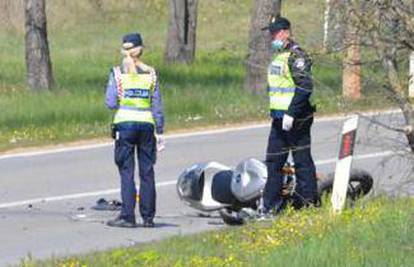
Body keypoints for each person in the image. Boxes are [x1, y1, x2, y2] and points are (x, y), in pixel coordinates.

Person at [105, 33, 164, 228]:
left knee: (126, 172)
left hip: (125, 125)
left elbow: (111, 103)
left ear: (123, 50)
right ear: (141, 49)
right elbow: (157, 106)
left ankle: (127, 216)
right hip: (147, 125)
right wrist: (160, 130)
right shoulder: (151, 74)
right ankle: (148, 217)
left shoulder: (117, 73)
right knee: (147, 172)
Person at [261, 17, 318, 214]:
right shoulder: (279, 55)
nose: (272, 37)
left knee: (301, 160)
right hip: (278, 118)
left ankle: (308, 202)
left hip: (297, 118)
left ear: (286, 32)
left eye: (275, 33)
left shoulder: (296, 56)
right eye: (271, 33)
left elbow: (305, 86)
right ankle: (271, 205)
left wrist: (291, 114)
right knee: (274, 161)